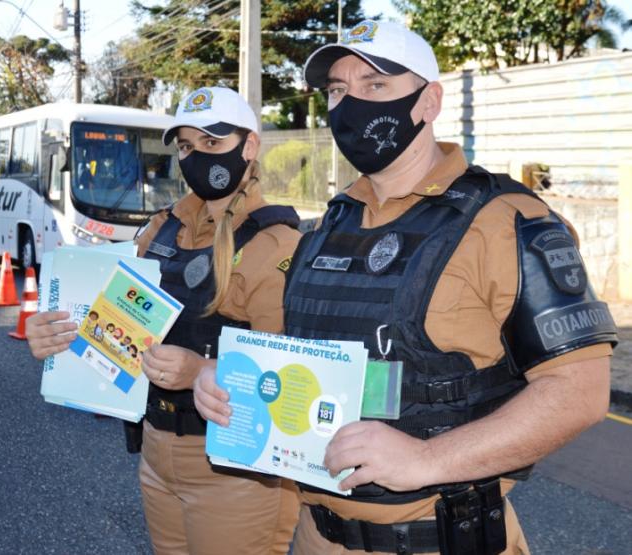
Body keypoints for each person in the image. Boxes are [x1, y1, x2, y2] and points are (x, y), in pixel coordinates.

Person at [194, 20, 617, 555]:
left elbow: (580, 392)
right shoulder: (329, 225)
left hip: (441, 539)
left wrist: (427, 460)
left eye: (376, 87)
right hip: (316, 535)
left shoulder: (509, 221)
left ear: (429, 101)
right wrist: (232, 380)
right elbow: (305, 357)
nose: (351, 105)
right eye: (338, 91)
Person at [27, 86, 303, 554]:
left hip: (235, 466)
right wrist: (59, 334)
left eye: (212, 143)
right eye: (186, 147)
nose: (196, 158)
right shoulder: (161, 228)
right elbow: (113, 326)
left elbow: (288, 377)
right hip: (156, 450)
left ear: (249, 146)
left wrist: (199, 370)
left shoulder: (276, 242)